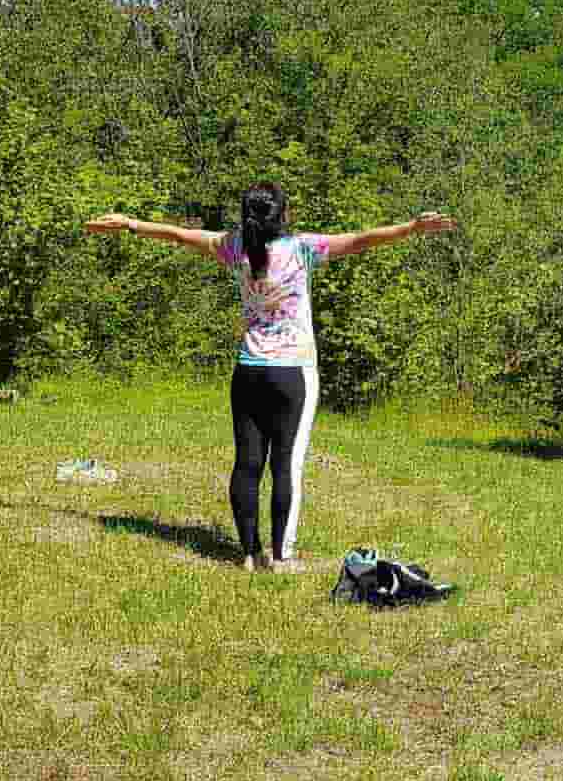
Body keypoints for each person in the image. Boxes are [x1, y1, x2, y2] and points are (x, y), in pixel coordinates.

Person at [84, 186, 457, 571]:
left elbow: (177, 234)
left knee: (247, 464)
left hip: (248, 371)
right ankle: (282, 557)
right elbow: (362, 240)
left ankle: (250, 554)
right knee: (286, 465)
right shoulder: (303, 249)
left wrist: (129, 224)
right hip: (292, 373)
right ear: (284, 214)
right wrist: (413, 227)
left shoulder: (232, 247)